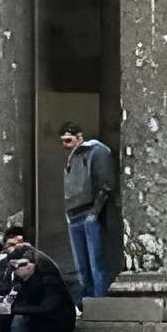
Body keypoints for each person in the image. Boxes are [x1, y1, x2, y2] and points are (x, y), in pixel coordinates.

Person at [60, 125, 118, 299]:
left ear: (79, 137)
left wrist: (95, 211)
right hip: (75, 211)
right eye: (63, 141)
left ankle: (99, 300)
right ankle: (87, 300)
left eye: (69, 140)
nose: (66, 145)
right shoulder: (74, 156)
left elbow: (106, 183)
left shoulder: (97, 151)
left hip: (89, 211)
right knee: (82, 265)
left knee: (96, 262)